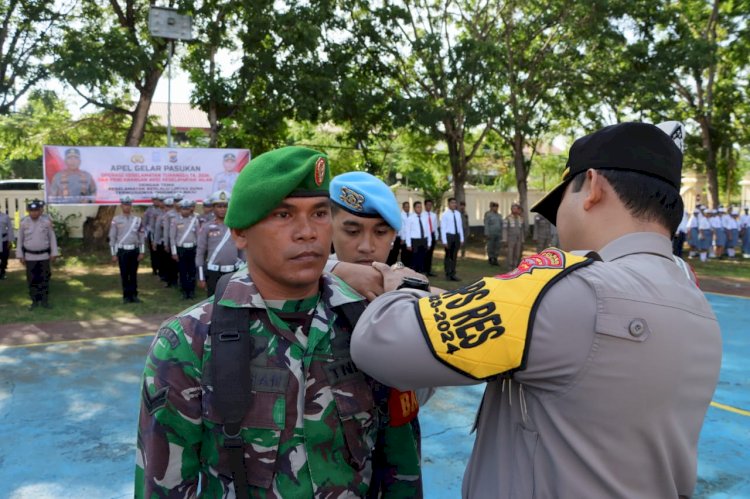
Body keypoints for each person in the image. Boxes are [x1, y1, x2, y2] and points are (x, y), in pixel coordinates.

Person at [348, 122, 722, 498]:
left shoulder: (566, 287)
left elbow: (381, 341)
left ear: (592, 187)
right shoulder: (694, 302)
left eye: (560, 203)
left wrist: (401, 282)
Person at [136, 146, 389, 497]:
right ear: (240, 232)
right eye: (283, 215)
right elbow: (163, 486)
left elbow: (397, 462)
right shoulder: (188, 341)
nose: (307, 232)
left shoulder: (365, 320)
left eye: (319, 213)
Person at [328, 170, 425, 496]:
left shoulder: (408, 294)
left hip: (399, 465)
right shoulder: (304, 287)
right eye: (352, 230)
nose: (367, 246)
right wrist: (329, 269)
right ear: (329, 227)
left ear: (394, 236)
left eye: (380, 232)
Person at [195, 190, 244, 296]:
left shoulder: (236, 227)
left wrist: (243, 272)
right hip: (213, 273)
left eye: (225, 206)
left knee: (232, 301)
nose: (222, 209)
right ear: (213, 208)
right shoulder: (206, 227)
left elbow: (242, 251)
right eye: (219, 206)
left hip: (233, 271)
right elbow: (200, 252)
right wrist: (201, 276)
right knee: (213, 303)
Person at [16, 199, 58, 309]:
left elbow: (52, 238)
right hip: (29, 256)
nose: (34, 213)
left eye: (36, 211)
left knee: (44, 279)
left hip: (44, 256)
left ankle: (44, 301)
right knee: (32, 279)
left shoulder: (46, 222)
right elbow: (20, 239)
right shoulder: (24, 222)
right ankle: (34, 301)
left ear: (40, 211)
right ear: (28, 211)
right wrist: (20, 255)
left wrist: (54, 253)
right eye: (31, 211)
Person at [109, 195, 145, 303]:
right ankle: (126, 296)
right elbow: (113, 237)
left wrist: (142, 251)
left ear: (131, 206)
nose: (127, 207)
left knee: (133, 273)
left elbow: (141, 236)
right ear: (121, 206)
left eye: (128, 205)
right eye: (125, 205)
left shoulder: (137, 220)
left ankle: (134, 295)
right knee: (124, 274)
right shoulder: (116, 220)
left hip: (134, 250)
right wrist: (113, 253)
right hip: (122, 250)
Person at [170, 199, 200, 299]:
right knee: (182, 270)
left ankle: (191, 291)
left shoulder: (194, 220)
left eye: (187, 209)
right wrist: (174, 252)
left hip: (192, 248)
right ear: (180, 209)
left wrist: (199, 250)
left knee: (192, 270)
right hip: (181, 249)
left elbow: (198, 236)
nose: (185, 211)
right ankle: (184, 291)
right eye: (183, 209)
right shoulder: (175, 220)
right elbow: (172, 237)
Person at [405, 201, 432, 274]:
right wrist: (408, 244)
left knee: (422, 257)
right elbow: (407, 232)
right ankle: (413, 273)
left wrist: (429, 242)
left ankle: (421, 272)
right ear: (414, 208)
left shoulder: (425, 217)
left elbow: (428, 230)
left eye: (420, 207)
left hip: (424, 239)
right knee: (414, 258)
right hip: (415, 240)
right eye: (418, 207)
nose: (419, 209)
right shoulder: (410, 218)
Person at [440, 197, 464, 281]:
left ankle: (453, 273)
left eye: (455, 203)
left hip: (456, 236)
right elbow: (443, 228)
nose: (454, 204)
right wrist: (444, 240)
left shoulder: (458, 214)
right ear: (448, 204)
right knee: (448, 255)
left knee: (454, 255)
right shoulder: (445, 214)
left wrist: (461, 238)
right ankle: (448, 273)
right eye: (452, 203)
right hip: (449, 236)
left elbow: (460, 226)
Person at [142, 193, 163, 276]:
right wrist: (146, 232)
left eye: (158, 200)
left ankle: (161, 268)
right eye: (154, 200)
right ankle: (154, 269)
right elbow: (144, 222)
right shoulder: (149, 210)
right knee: (153, 252)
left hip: (161, 233)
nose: (156, 201)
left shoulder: (163, 209)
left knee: (161, 252)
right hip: (152, 233)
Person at [503, 202, 525, 270]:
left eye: (516, 208)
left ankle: (515, 267)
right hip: (510, 239)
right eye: (513, 208)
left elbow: (522, 230)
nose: (515, 210)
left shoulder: (520, 218)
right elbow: (504, 230)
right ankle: (510, 268)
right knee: (510, 254)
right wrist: (504, 239)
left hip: (519, 239)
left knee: (517, 254)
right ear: (511, 209)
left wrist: (522, 240)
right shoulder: (507, 218)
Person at [424, 199, 439, 276]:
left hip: (432, 234)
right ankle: (423, 270)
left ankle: (429, 270)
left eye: (430, 205)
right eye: (427, 205)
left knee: (430, 253)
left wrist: (436, 236)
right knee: (424, 253)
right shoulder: (422, 215)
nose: (429, 206)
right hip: (425, 235)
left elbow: (435, 227)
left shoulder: (433, 215)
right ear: (425, 205)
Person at [0, 208, 13, 279]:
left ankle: (2, 272)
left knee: (4, 256)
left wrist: (10, 240)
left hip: (4, 240)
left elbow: (10, 228)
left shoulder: (5, 217)